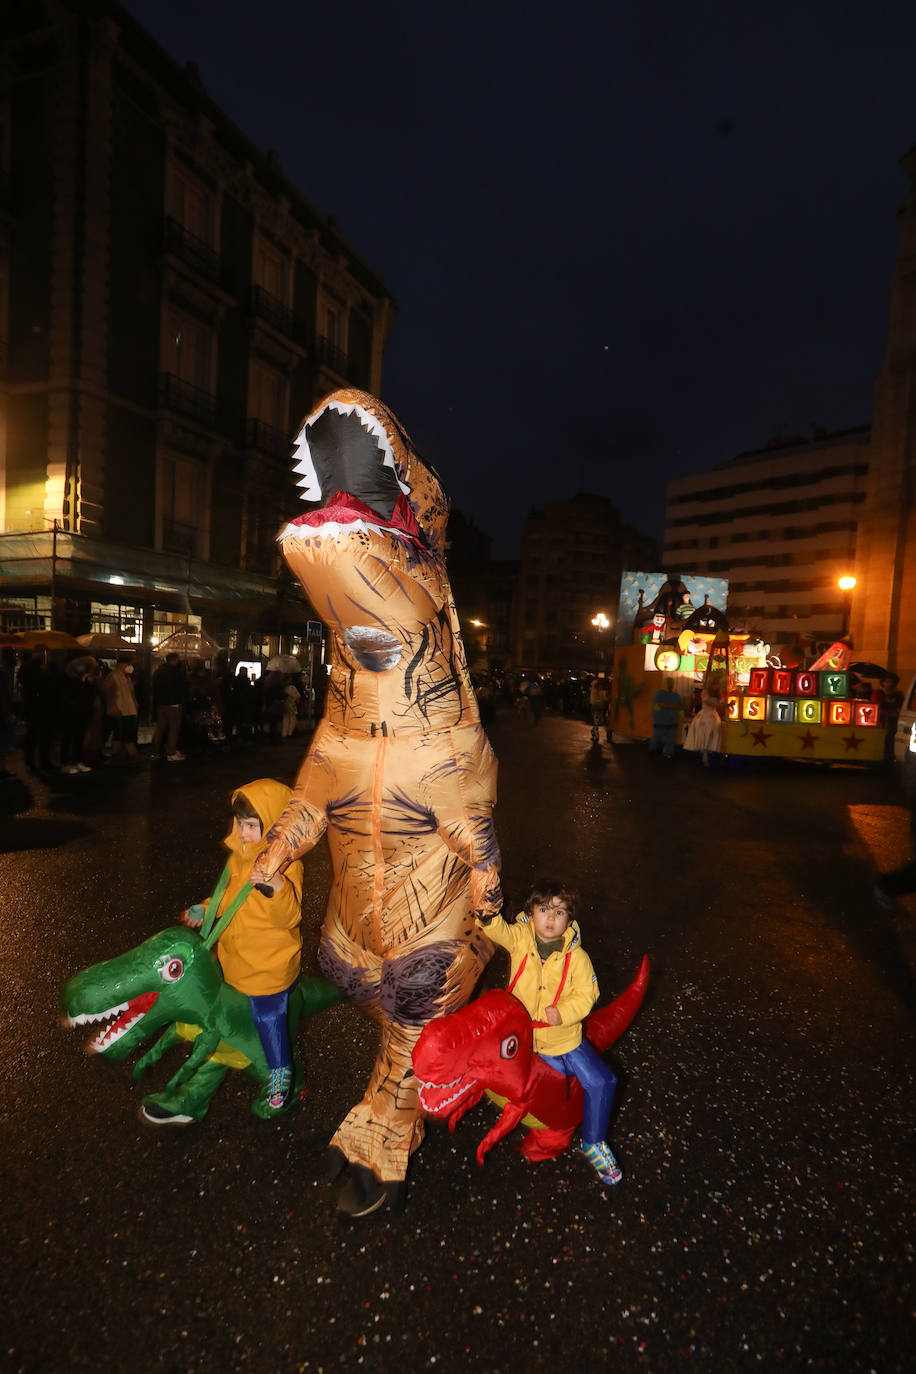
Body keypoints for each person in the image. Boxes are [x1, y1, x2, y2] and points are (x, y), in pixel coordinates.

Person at [477, 880, 622, 1186]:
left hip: (561, 1040)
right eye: (543, 909)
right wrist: (487, 911)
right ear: (531, 912)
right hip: (520, 1035)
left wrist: (565, 1012)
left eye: (559, 912)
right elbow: (497, 929)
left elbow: (588, 993)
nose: (551, 918)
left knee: (602, 1081)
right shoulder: (521, 939)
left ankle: (594, 1142)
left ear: (570, 920)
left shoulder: (578, 958)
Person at [178, 779, 304, 1117]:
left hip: (269, 967)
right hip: (237, 960)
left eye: (252, 825)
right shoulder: (239, 858)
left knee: (267, 1016)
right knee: (230, 1011)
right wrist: (207, 908)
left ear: (274, 825)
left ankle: (281, 1070)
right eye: (240, 824)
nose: (244, 832)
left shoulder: (287, 865)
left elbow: (290, 916)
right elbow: (229, 897)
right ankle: (231, 1052)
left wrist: (277, 886)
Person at [150, 651, 187, 761]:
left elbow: (154, 689)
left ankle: (155, 751)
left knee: (160, 728)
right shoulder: (176, 673)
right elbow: (181, 687)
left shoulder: (158, 672)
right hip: (173, 704)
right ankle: (171, 752)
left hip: (161, 704)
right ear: (174, 660)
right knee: (173, 729)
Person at [101, 656, 139, 764]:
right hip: (121, 709)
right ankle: (132, 755)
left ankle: (117, 754)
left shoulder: (127, 677)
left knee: (120, 733)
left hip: (129, 709)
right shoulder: (113, 676)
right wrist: (113, 706)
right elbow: (108, 693)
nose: (129, 666)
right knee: (125, 734)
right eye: (128, 664)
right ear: (121, 664)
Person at [684, 677, 724, 766]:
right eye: (714, 684)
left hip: (713, 717)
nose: (716, 686)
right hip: (705, 716)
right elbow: (709, 702)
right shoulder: (705, 692)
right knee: (702, 734)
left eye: (717, 684)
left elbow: (721, 703)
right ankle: (703, 756)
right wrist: (722, 704)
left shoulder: (719, 694)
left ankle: (706, 755)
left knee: (712, 735)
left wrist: (725, 704)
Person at [648, 676, 682, 759]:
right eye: (670, 683)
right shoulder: (662, 694)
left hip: (667, 721)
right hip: (664, 721)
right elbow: (659, 704)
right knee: (661, 737)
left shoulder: (662, 694)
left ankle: (664, 752)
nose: (671, 684)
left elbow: (679, 707)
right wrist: (674, 707)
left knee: (665, 738)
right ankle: (659, 751)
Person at [589, 675, 610, 743]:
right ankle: (595, 732)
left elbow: (604, 699)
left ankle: (593, 730)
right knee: (596, 720)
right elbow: (594, 700)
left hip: (600, 707)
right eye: (599, 685)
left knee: (599, 720)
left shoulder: (601, 692)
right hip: (595, 707)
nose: (600, 687)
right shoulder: (594, 691)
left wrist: (606, 700)